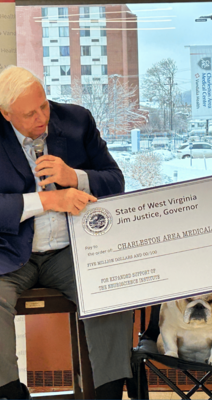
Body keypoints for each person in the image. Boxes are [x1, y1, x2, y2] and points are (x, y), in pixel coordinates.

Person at [0, 66, 133, 400]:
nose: (41, 117)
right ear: (6, 113)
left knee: (110, 288)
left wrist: (74, 176)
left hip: (70, 250)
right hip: (10, 253)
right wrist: (46, 200)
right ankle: (9, 392)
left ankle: (107, 392)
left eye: (43, 105)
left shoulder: (76, 121)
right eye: (29, 114)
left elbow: (115, 181)